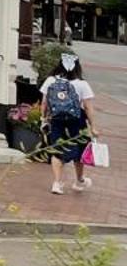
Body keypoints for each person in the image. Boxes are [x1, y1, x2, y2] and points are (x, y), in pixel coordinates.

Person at [42, 51, 96, 195]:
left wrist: (44, 119)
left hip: (56, 120)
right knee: (80, 149)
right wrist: (94, 126)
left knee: (57, 150)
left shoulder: (50, 81)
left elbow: (45, 103)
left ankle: (57, 183)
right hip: (76, 121)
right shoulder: (82, 84)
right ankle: (79, 181)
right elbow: (88, 107)